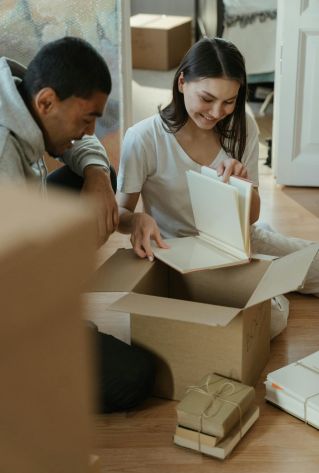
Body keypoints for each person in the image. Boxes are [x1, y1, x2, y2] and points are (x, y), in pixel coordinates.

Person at [117, 37, 319, 337]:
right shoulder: (144, 138)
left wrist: (241, 185)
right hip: (181, 255)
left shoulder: (242, 127)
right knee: (271, 320)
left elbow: (249, 217)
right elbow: (120, 213)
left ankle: (270, 269)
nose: (216, 112)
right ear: (182, 82)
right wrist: (136, 220)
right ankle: (271, 283)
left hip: (239, 242)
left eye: (229, 101)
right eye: (207, 98)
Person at [0, 36, 155, 412]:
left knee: (86, 180)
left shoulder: (20, 92)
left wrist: (101, 178)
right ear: (47, 102)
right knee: (134, 377)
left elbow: (85, 148)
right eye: (87, 119)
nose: (89, 131)